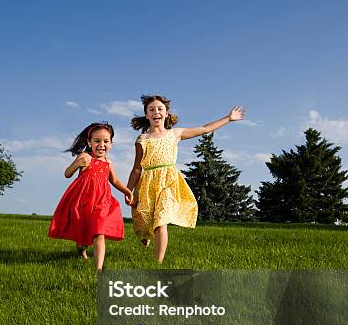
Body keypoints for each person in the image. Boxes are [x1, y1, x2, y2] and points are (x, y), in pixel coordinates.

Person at [126, 95, 244, 263]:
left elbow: (204, 129)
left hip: (168, 182)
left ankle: (158, 263)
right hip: (148, 183)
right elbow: (137, 168)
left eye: (160, 109)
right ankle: (145, 237)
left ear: (166, 113)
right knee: (144, 221)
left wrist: (229, 118)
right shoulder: (142, 139)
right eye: (151, 110)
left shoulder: (175, 133)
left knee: (161, 220)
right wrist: (128, 190)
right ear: (146, 115)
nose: (156, 112)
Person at [49, 122, 133, 272]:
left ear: (111, 144)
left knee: (99, 231)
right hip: (83, 202)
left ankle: (99, 270)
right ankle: (81, 249)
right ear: (89, 142)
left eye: (106, 141)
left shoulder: (108, 163)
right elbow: (67, 174)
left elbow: (114, 181)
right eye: (97, 141)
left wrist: (127, 191)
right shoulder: (84, 157)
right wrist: (77, 164)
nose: (101, 145)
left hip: (102, 201)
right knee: (83, 237)